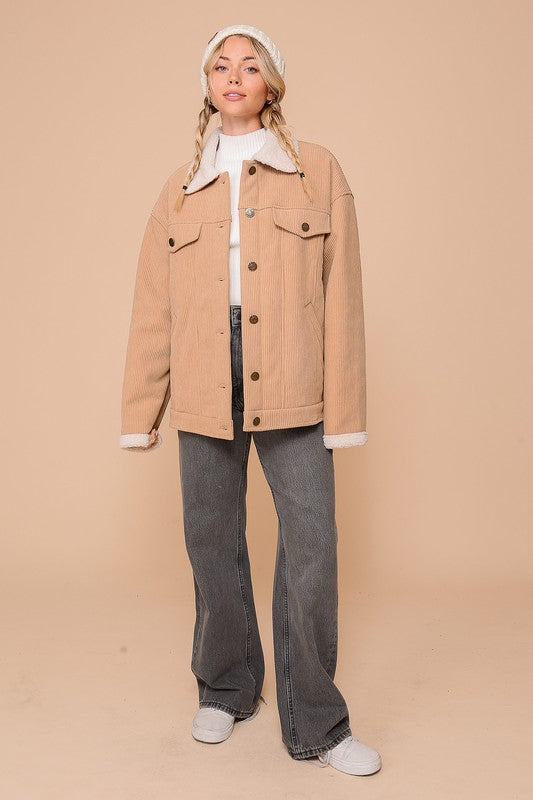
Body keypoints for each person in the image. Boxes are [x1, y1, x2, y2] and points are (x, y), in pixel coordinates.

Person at [119, 23, 381, 776]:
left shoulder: (316, 170)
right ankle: (226, 687)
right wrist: (140, 411)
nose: (234, 75)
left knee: (312, 547)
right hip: (204, 368)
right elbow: (154, 308)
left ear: (272, 84)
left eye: (250, 65)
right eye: (221, 66)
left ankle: (318, 722)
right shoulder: (180, 186)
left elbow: (342, 298)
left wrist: (346, 412)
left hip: (293, 372)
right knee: (211, 540)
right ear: (207, 85)